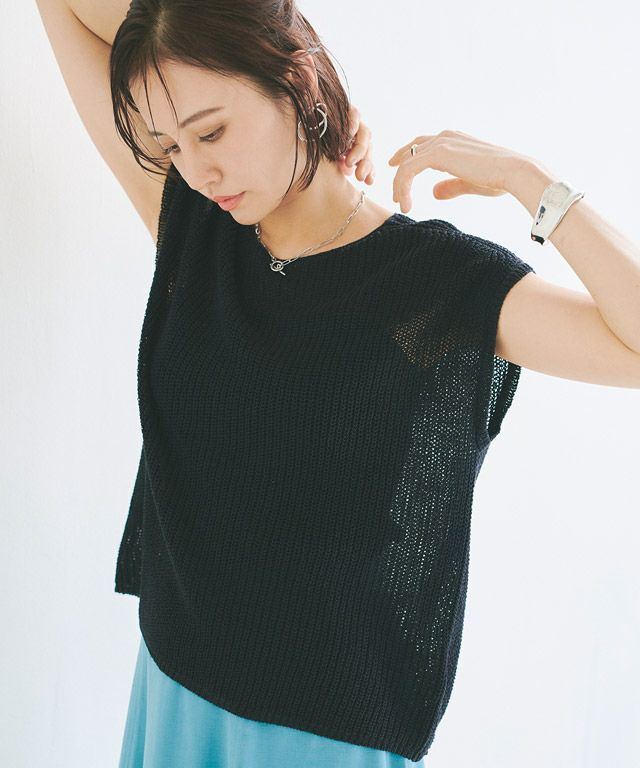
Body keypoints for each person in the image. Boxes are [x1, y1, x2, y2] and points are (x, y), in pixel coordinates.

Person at [35, 1, 640, 766]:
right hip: (176, 682)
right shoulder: (197, 227)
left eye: (211, 132)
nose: (196, 169)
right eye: (170, 145)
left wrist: (530, 181)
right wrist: (290, 57)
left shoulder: (429, 287)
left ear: (290, 83)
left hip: (324, 733)